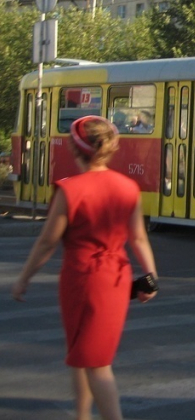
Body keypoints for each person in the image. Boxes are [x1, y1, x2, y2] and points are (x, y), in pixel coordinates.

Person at [11, 115, 158, 420]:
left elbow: (47, 242)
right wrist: (151, 278)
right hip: (116, 277)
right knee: (83, 352)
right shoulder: (128, 187)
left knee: (96, 362)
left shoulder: (70, 190)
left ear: (74, 150)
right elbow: (139, 237)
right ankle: (82, 415)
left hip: (83, 279)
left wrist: (24, 278)